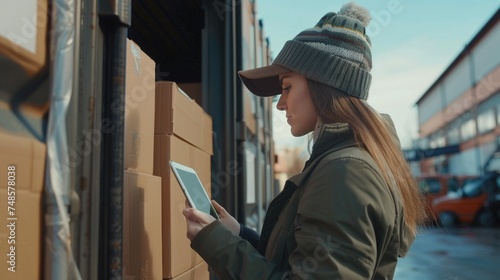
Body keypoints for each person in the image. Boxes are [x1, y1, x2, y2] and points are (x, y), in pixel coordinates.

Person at [182, 2, 427, 279]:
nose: (280, 104)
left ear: (325, 84)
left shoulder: (346, 172)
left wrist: (217, 244)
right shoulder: (343, 162)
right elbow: (298, 263)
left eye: (286, 87)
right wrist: (237, 236)